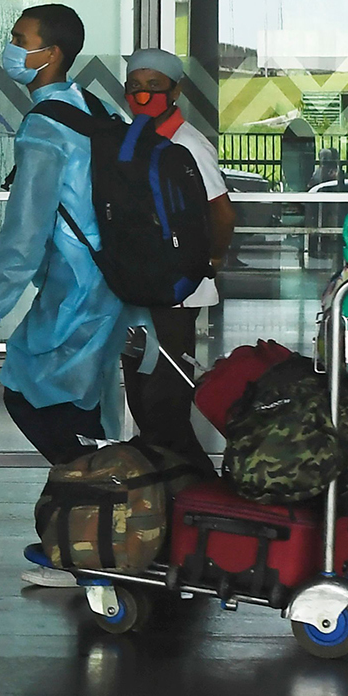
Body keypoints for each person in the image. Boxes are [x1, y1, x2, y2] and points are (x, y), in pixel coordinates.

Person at [0, 5, 136, 588]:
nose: (11, 49)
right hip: (110, 286)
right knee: (82, 412)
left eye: (21, 40)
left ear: (51, 54)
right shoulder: (94, 109)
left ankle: (99, 541)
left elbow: (26, 226)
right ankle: (72, 539)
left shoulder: (44, 126)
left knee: (32, 398)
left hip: (74, 293)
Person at [118, 48, 235, 477]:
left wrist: (211, 259)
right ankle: (167, 498)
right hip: (138, 290)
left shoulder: (187, 144)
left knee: (165, 405)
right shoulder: (132, 139)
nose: (144, 97)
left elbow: (222, 213)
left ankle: (199, 495)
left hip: (178, 292)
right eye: (136, 88)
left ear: (176, 91)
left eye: (154, 88)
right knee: (142, 399)